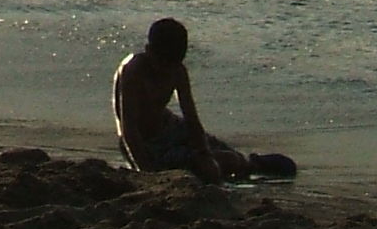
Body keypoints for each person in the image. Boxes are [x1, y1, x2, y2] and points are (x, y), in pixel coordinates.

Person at [113, 19, 264, 181]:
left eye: (172, 65)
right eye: (163, 65)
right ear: (149, 51)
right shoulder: (133, 71)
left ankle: (251, 163)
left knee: (232, 158)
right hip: (147, 144)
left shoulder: (177, 70)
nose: (166, 72)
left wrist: (204, 152)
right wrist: (146, 173)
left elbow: (191, 118)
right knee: (205, 166)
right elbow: (129, 129)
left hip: (171, 128)